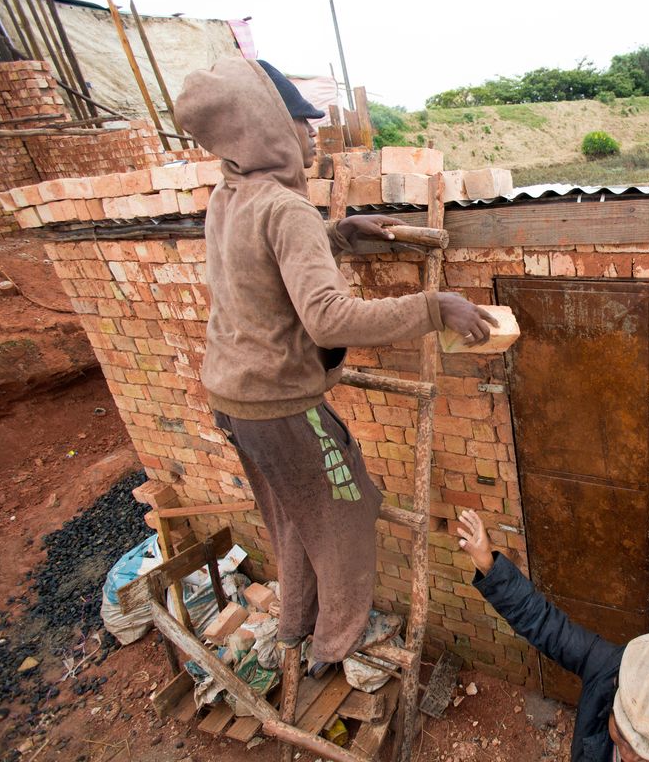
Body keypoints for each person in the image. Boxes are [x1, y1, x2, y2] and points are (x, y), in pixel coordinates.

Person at [175, 58, 497, 674]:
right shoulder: (284, 209)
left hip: (234, 399)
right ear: (265, 128)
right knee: (348, 514)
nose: (312, 132)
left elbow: (263, 259)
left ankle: (296, 623)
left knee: (293, 518)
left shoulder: (229, 194)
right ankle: (336, 643)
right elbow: (327, 318)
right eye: (300, 120)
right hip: (281, 407)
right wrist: (436, 306)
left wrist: (339, 234)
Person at [456, 509, 649, 762]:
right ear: (617, 692)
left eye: (646, 752)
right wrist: (489, 565)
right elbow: (546, 624)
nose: (627, 755)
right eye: (623, 736)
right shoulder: (606, 668)